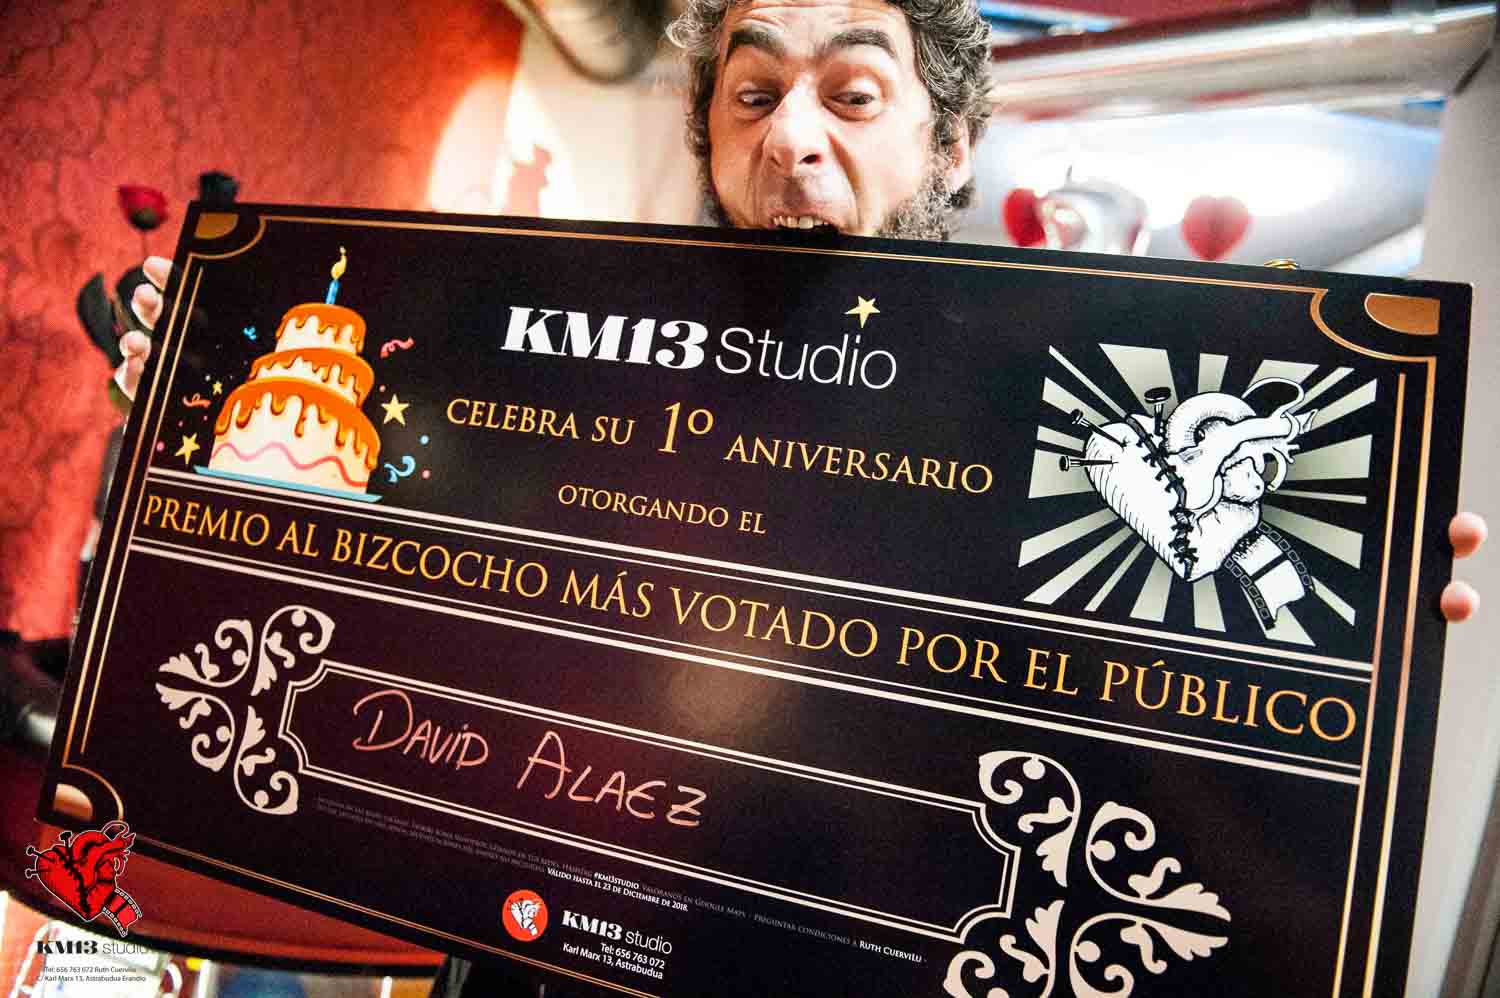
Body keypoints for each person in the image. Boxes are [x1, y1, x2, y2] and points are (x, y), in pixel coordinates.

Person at [110, 0, 1486, 991]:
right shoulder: (549, 376)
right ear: (710, 138)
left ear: (953, 143)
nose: (794, 139)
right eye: (754, 93)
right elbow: (381, 612)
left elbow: (1196, 836)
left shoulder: (1062, 445)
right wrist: (198, 406)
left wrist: (1340, 642)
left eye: (856, 94)